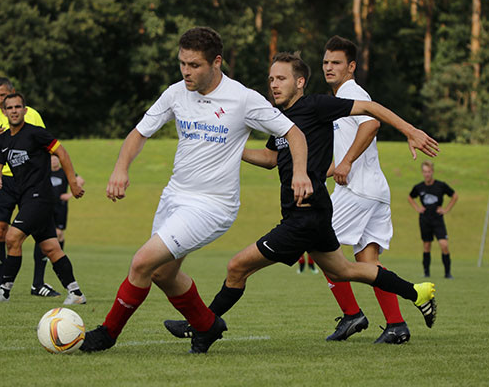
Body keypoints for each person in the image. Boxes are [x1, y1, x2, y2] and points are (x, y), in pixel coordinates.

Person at [163, 52, 439, 352]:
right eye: (271, 79)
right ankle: (417, 292)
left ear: (300, 81)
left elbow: (369, 109)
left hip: (304, 216)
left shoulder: (316, 106)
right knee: (343, 271)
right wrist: (227, 148)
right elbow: (270, 158)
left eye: (281, 79)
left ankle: (203, 325)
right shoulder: (279, 119)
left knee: (237, 267)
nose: (274, 85)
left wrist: (411, 131)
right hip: (315, 213)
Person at [78, 27, 313, 354]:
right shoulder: (175, 93)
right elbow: (139, 133)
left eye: (194, 65)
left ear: (216, 62)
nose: (186, 72)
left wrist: (299, 173)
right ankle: (207, 325)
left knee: (142, 262)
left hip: (212, 206)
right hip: (174, 196)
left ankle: (107, 334)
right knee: (162, 273)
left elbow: (294, 133)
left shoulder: (243, 99)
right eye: (182, 64)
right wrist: (121, 168)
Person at [321, 36, 410, 344]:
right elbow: (348, 145)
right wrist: (328, 168)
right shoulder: (342, 97)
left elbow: (371, 125)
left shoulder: (352, 93)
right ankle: (397, 325)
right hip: (373, 189)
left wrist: (344, 164)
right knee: (368, 264)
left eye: (336, 62)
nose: (329, 67)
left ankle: (352, 315)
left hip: (357, 191)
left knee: (319, 247)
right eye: (326, 62)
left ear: (352, 66)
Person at [0, 93, 86, 305]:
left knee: (12, 237)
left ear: (25, 110)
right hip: (25, 198)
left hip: (40, 197)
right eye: (10, 108)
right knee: (51, 248)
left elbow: (62, 153)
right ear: (5, 111)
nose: (14, 111)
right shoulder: (3, 139)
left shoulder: (36, 133)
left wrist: (72, 182)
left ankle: (4, 290)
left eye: (18, 107)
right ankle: (76, 293)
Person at [0, 77, 60, 298]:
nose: (0, 100)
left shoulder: (30, 114)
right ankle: (1, 287)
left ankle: (37, 284)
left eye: (3, 95)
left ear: (13, 93)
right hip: (2, 181)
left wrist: (55, 163)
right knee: (0, 231)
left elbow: (47, 143)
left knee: (38, 230)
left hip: (30, 181)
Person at [408, 160, 458, 278]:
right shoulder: (419, 187)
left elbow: (455, 196)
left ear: (432, 172)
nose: (427, 174)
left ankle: (447, 273)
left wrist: (446, 209)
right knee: (426, 245)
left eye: (429, 171)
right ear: (422, 172)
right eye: (425, 172)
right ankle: (426, 273)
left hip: (438, 220)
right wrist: (417, 208)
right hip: (425, 220)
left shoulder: (440, 185)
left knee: (444, 245)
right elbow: (410, 197)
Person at [50, 155, 85, 250]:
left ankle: (59, 254)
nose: (53, 162)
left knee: (59, 233)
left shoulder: (64, 172)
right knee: (50, 232)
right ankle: (51, 254)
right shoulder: (46, 172)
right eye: (52, 160)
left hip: (61, 205)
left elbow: (80, 181)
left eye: (55, 160)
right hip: (48, 205)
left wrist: (70, 194)